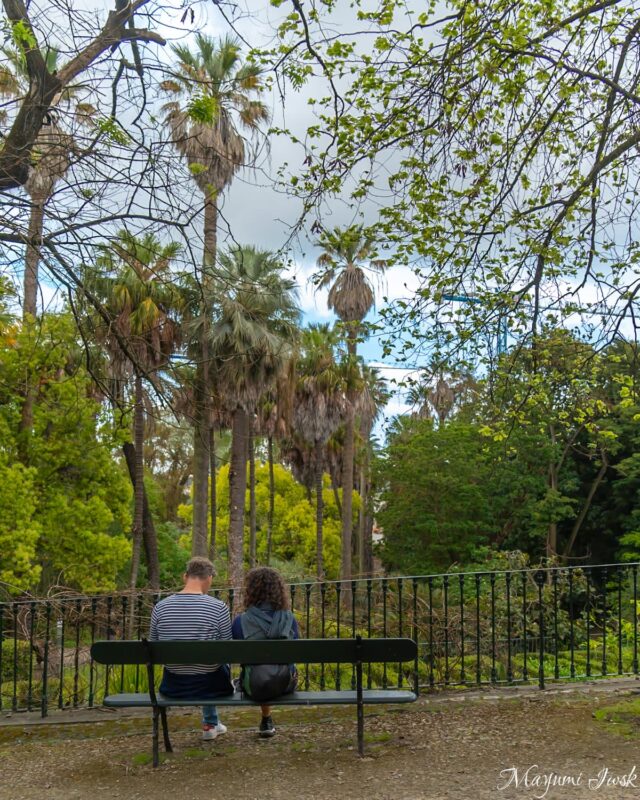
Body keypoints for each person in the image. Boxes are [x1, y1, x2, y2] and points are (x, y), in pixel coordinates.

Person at [149, 556, 233, 741]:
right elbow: (228, 648)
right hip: (211, 687)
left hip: (173, 686)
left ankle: (210, 722)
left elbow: (153, 645)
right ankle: (210, 723)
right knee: (215, 665)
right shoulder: (219, 608)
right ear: (209, 578)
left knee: (206, 664)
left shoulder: (160, 608)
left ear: (184, 576)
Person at [232, 566, 299, 738]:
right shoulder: (289, 619)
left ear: (251, 591)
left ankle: (266, 719)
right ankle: (266, 720)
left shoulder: (241, 622)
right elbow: (296, 651)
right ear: (279, 590)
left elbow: (237, 654)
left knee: (257, 671)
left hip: (254, 686)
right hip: (285, 684)